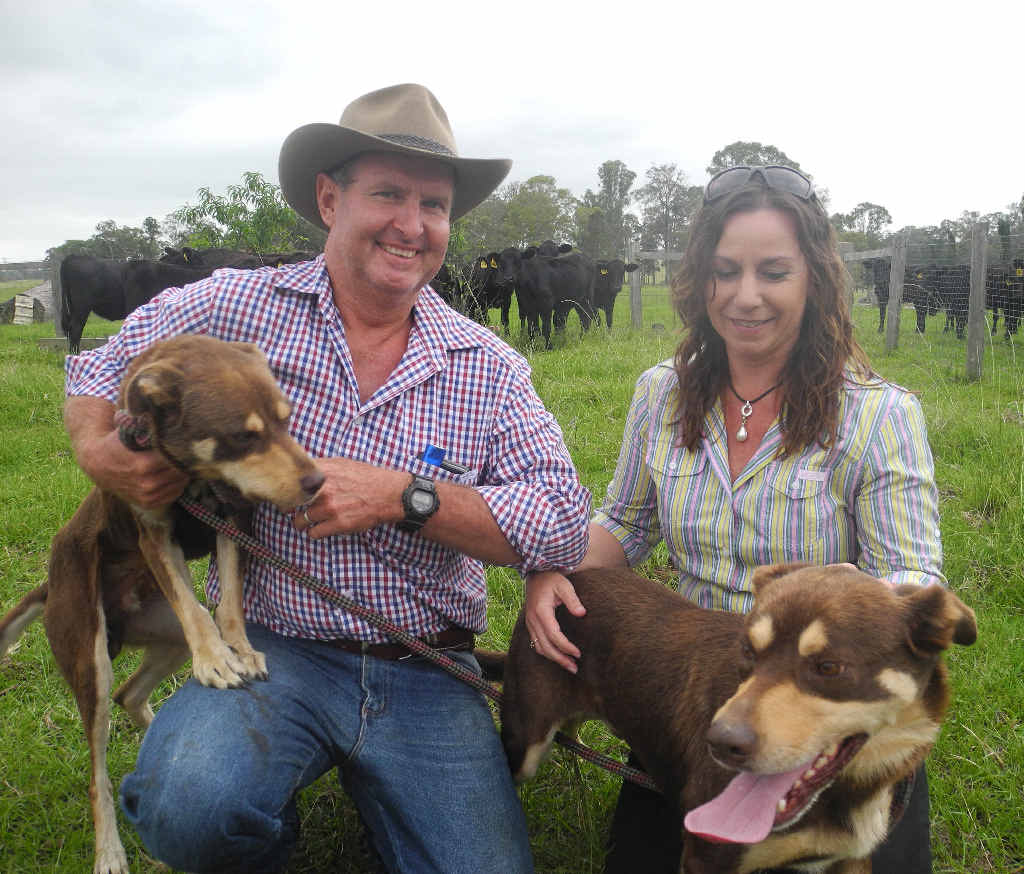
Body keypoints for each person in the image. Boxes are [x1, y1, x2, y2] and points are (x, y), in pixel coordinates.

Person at [63, 83, 591, 874]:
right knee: (188, 803)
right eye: (387, 194)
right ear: (328, 198)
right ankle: (266, 840)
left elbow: (559, 520)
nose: (412, 225)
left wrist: (404, 497)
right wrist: (100, 451)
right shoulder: (236, 304)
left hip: (425, 665)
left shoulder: (488, 366)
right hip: (277, 655)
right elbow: (101, 362)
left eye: (434, 205)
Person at [524, 165, 944, 873]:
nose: (744, 296)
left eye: (772, 271)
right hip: (694, 696)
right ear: (699, 279)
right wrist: (553, 574)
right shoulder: (660, 392)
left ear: (814, 277)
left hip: (824, 696)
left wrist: (854, 601)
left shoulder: (878, 414)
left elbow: (913, 573)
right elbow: (625, 521)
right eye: (724, 271)